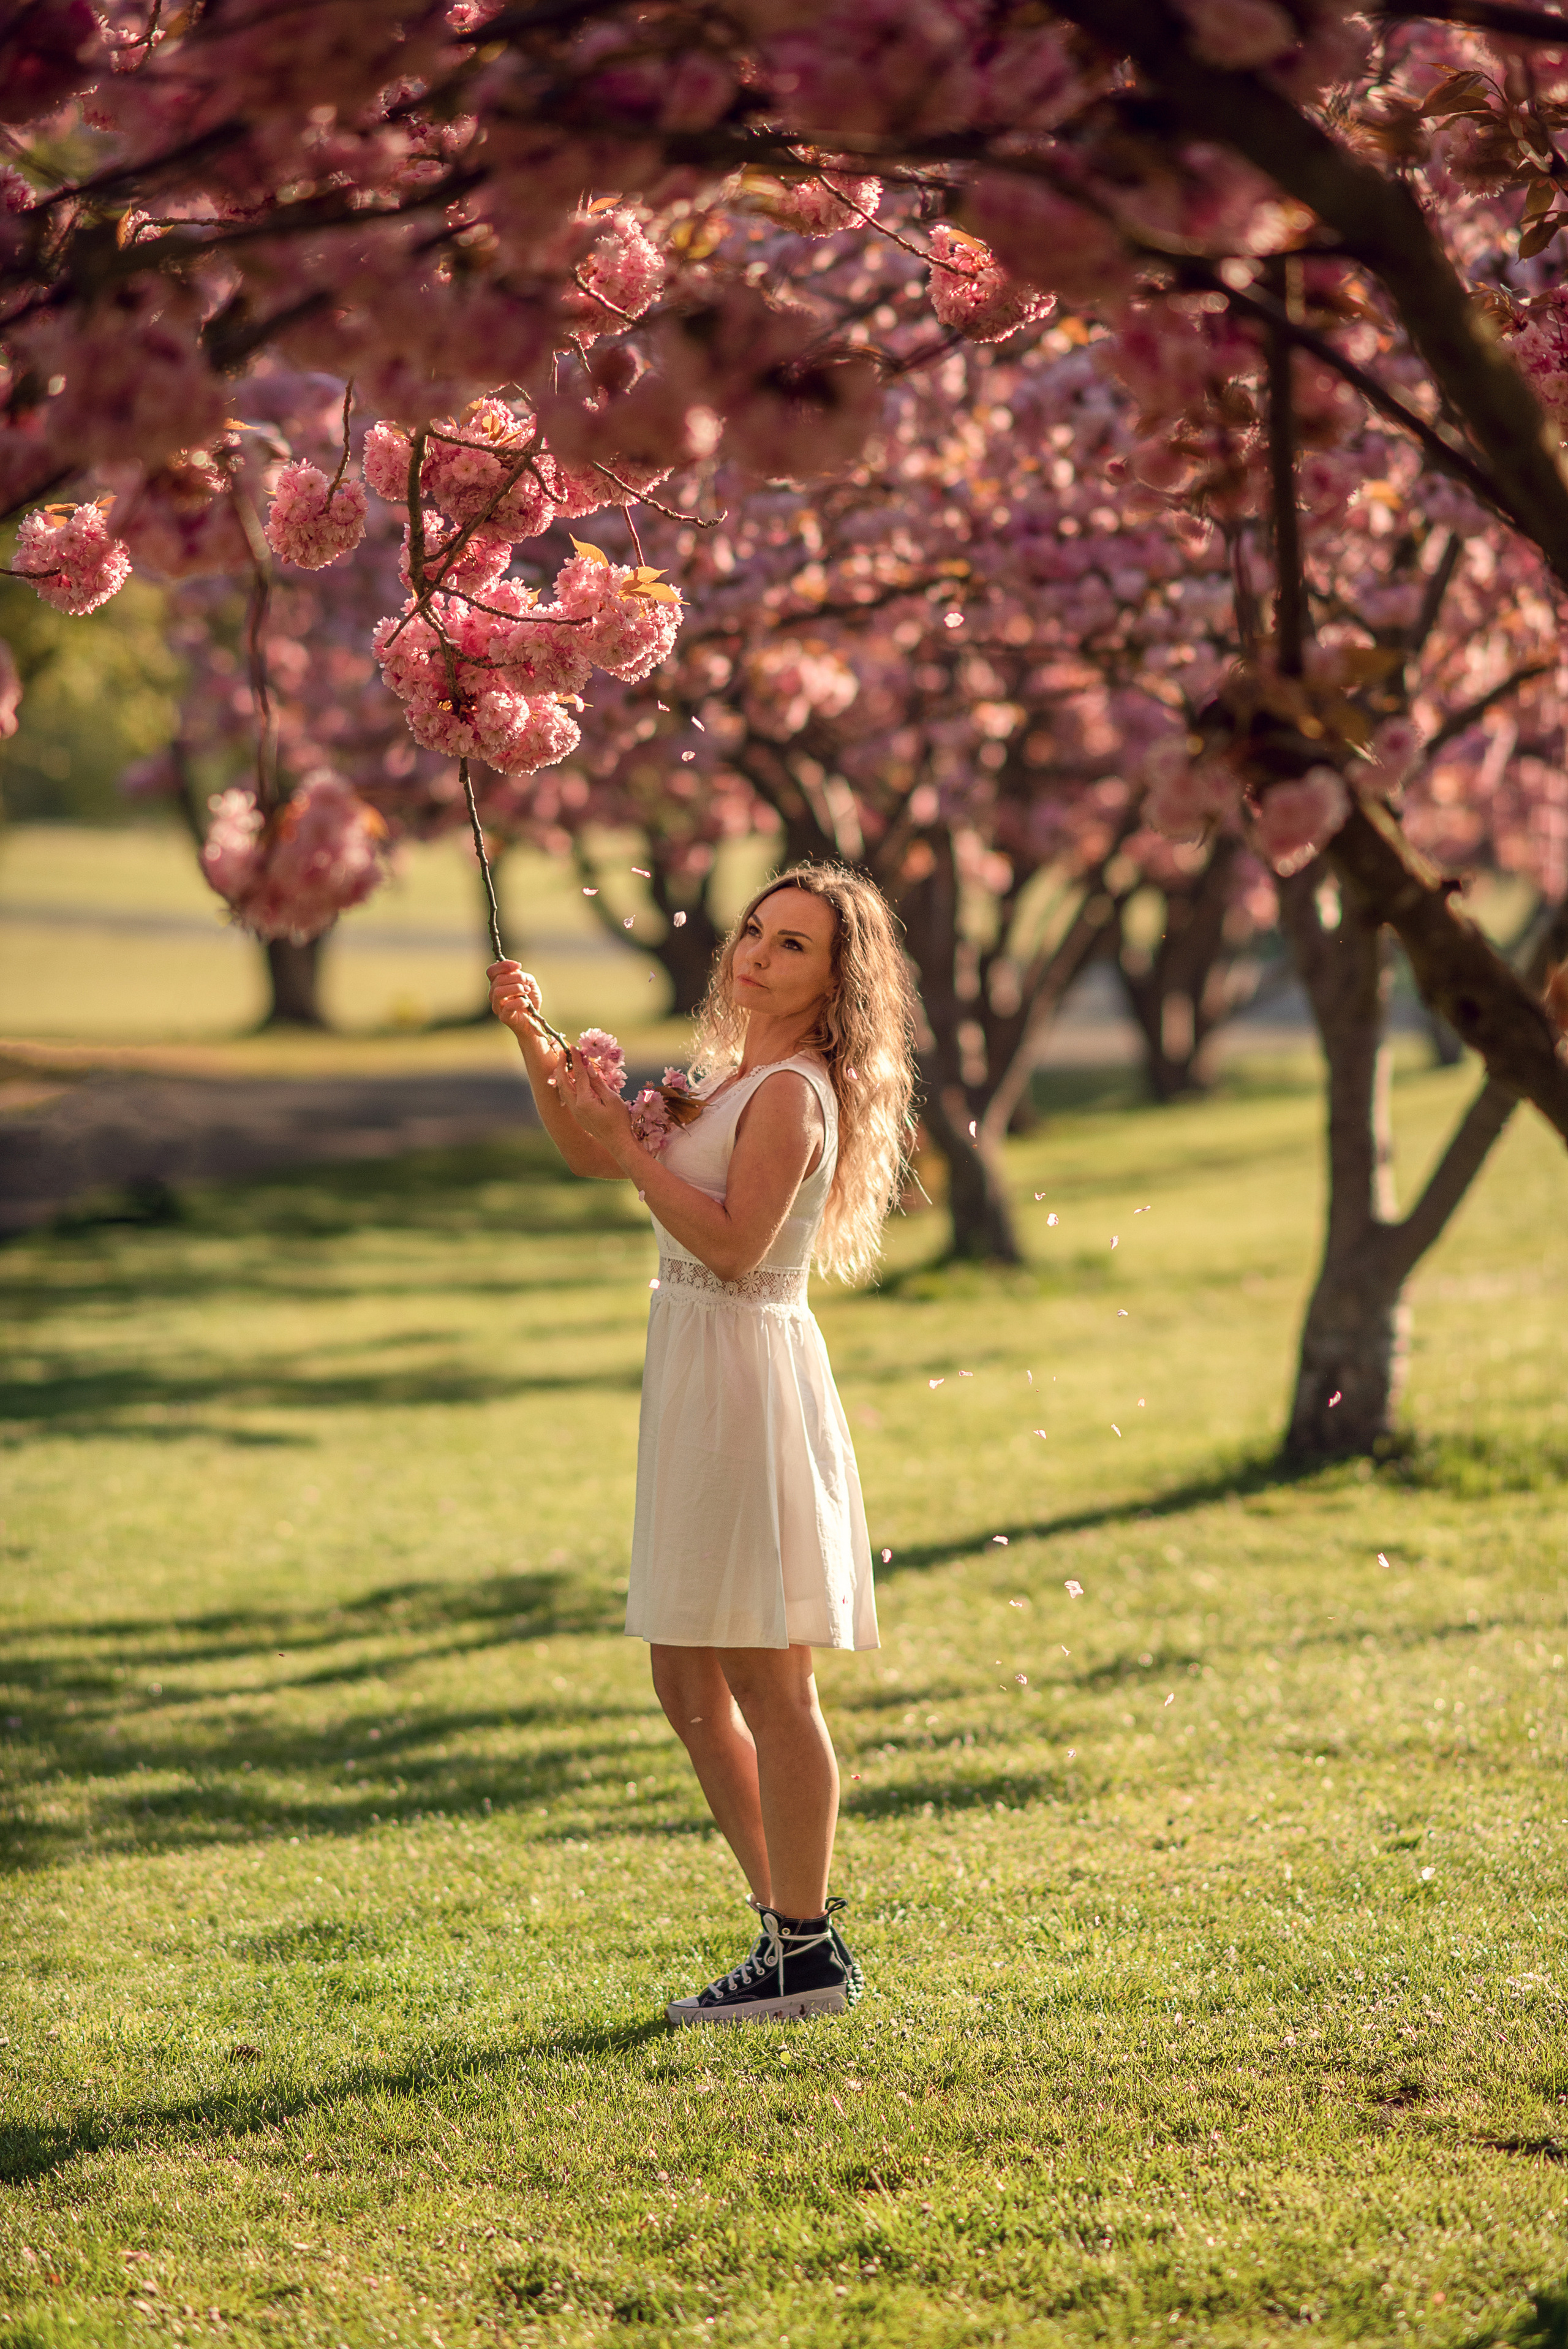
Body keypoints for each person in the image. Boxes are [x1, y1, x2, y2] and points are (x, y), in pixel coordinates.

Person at [488, 863, 918, 2024]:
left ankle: (805, 1945)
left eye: (795, 945)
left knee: (769, 1673)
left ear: (838, 982)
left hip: (747, 1377)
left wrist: (635, 1153)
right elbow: (589, 1152)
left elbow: (734, 1249)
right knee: (684, 1672)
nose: (761, 955)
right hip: (695, 1371)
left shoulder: (793, 1093)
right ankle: (792, 1940)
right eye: (758, 932)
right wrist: (538, 1047)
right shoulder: (727, 1073)